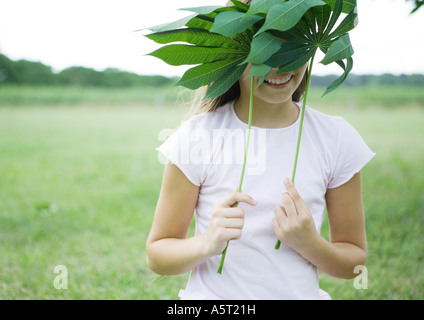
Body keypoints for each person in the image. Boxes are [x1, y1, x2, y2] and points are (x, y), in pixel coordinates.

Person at [146, 4, 375, 301]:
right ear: (233, 54)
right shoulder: (197, 137)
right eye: (263, 51)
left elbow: (354, 262)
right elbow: (157, 256)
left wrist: (310, 243)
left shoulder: (337, 138)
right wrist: (207, 243)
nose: (279, 68)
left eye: (292, 49)